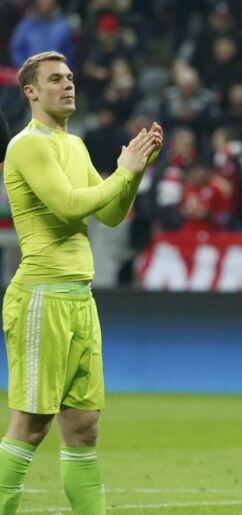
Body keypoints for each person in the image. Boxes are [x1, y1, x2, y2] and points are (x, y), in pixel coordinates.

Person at [0, 51, 162, 513]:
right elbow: (70, 206)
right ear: (31, 92)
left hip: (79, 298)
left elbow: (110, 213)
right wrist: (124, 172)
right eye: (55, 79)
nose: (67, 85)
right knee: (31, 425)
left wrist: (136, 169)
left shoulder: (74, 145)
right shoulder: (29, 145)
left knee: (84, 427)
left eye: (70, 77)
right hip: (41, 297)